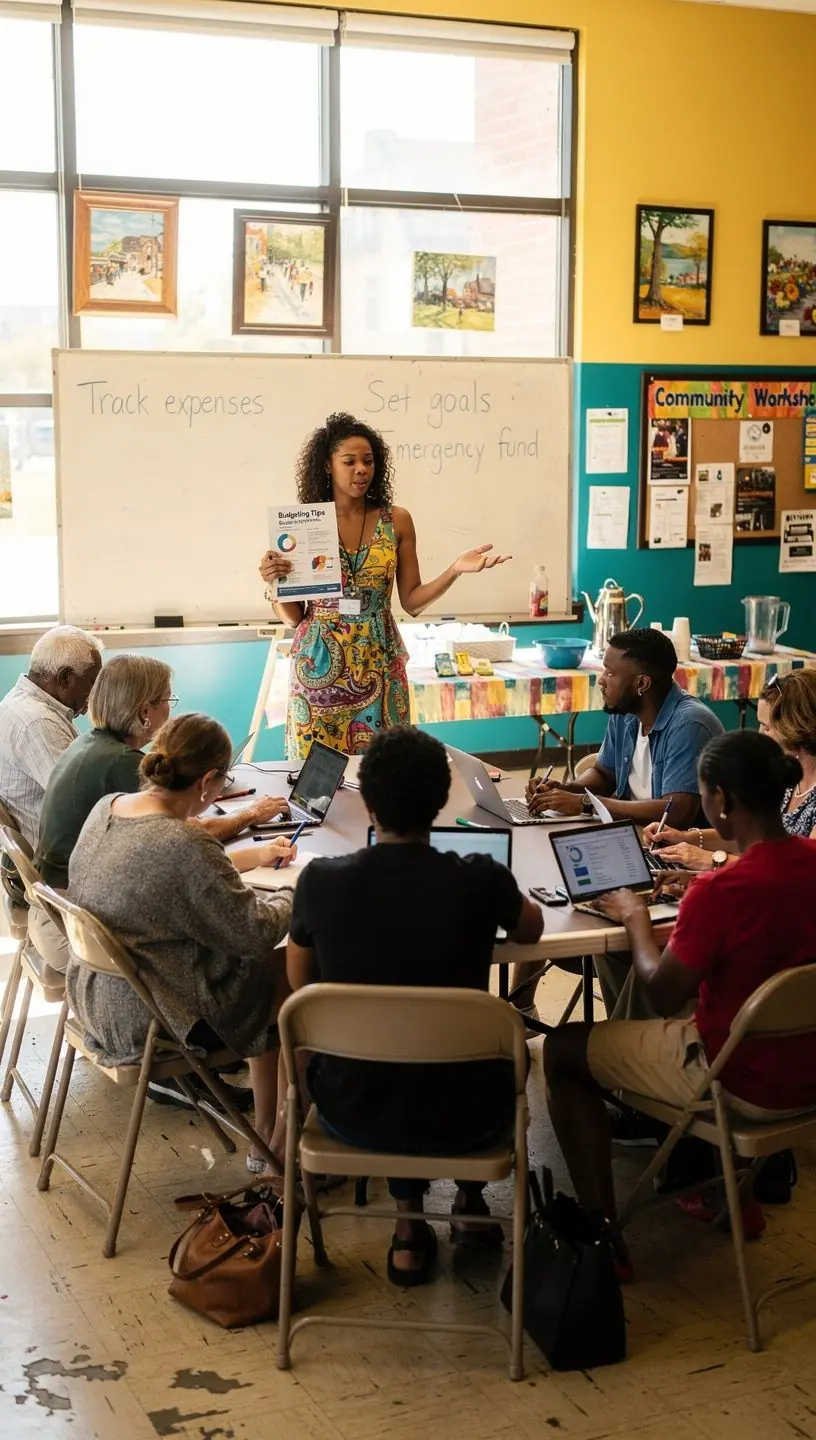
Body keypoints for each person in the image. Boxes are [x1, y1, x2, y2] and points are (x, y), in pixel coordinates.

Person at [543, 730, 816, 1274]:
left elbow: (661, 988)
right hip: (807, 1072)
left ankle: (602, 1234)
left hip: (734, 1079)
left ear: (721, 802)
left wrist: (635, 916)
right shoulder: (805, 860)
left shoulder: (722, 892)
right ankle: (729, 1192)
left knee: (561, 1050)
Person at [287, 726, 543, 1287]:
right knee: (466, 1055)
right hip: (469, 1114)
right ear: (443, 802)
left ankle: (407, 1229)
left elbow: (300, 991)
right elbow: (533, 928)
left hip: (353, 1110)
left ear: (369, 803)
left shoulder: (322, 883)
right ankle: (473, 1209)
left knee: (392, 1056)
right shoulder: (479, 877)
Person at [65, 713, 297, 1167]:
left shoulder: (107, 808)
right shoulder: (180, 845)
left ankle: (269, 1133)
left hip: (93, 997)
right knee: (284, 970)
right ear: (209, 781)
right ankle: (272, 1139)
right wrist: (295, 889)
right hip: (149, 1019)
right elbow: (256, 932)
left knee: (262, 973)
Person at [258, 413, 510, 760]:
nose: (361, 469)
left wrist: (455, 569)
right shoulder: (304, 523)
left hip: (379, 659)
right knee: (318, 778)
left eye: (368, 461)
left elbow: (412, 601)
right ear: (328, 466)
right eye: (349, 461)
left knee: (386, 772)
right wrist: (275, 584)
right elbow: (293, 618)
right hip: (318, 665)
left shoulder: (397, 520)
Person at [32, 655, 291, 972]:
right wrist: (294, 886)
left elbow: (186, 864)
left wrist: (259, 853)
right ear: (145, 711)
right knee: (265, 958)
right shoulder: (121, 764)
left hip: (75, 933)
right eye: (169, 700)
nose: (171, 710)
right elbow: (192, 852)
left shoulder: (93, 753)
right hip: (80, 941)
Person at [522, 628, 723, 1018]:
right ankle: (523, 1002)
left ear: (642, 683)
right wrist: (562, 789)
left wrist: (584, 803)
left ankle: (621, 1032)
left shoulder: (688, 724)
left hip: (672, 852)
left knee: (573, 888)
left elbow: (676, 810)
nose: (602, 679)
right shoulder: (626, 713)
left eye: (610, 673)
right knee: (543, 878)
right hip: (627, 839)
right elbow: (603, 772)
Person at [644, 668, 816, 873]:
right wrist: (686, 838)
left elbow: (798, 874)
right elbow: (752, 838)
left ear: (796, 728)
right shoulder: (786, 775)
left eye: (766, 727)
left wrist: (714, 861)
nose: (760, 733)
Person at [0, 626, 103, 849]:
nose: (95, 697)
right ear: (65, 678)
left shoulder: (19, 701)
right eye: (92, 685)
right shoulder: (38, 723)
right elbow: (84, 806)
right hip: (55, 863)